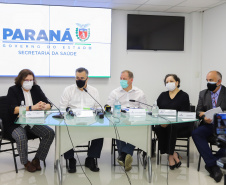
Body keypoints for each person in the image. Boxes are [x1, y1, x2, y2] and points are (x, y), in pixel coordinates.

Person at [6, 69, 55, 172]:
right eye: (26, 80)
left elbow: (49, 104)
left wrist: (44, 106)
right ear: (20, 80)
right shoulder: (13, 90)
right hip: (15, 123)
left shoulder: (36, 88)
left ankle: (37, 159)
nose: (29, 82)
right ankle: (25, 162)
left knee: (50, 133)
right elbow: (13, 110)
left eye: (31, 80)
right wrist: (32, 107)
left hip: (33, 121)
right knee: (21, 136)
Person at [59, 67, 103, 173]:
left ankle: (91, 159)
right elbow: (62, 108)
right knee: (65, 132)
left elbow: (98, 107)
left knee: (100, 133)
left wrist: (99, 112)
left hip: (90, 122)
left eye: (82, 78)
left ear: (87, 79)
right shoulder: (68, 90)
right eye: (77, 78)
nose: (79, 80)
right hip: (72, 122)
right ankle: (71, 160)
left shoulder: (93, 91)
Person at [107, 70, 147, 171]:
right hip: (120, 120)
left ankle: (123, 155)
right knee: (118, 129)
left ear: (131, 80)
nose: (122, 80)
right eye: (121, 78)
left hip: (135, 121)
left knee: (137, 130)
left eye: (124, 79)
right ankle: (126, 154)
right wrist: (116, 109)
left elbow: (144, 109)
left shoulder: (139, 93)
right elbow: (108, 108)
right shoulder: (115, 92)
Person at [192, 71, 225, 182]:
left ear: (219, 81)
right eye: (207, 80)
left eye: (211, 80)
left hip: (223, 126)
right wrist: (203, 115)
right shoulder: (203, 93)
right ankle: (214, 165)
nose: (208, 82)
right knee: (196, 133)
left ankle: (211, 164)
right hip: (208, 124)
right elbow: (198, 111)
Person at [154, 74, 190, 170]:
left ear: (177, 82)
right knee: (157, 127)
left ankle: (170, 157)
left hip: (180, 124)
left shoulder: (184, 95)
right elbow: (156, 110)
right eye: (167, 82)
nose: (168, 83)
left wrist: (170, 122)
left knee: (171, 127)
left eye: (171, 81)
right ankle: (173, 154)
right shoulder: (162, 95)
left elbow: (184, 114)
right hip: (163, 122)